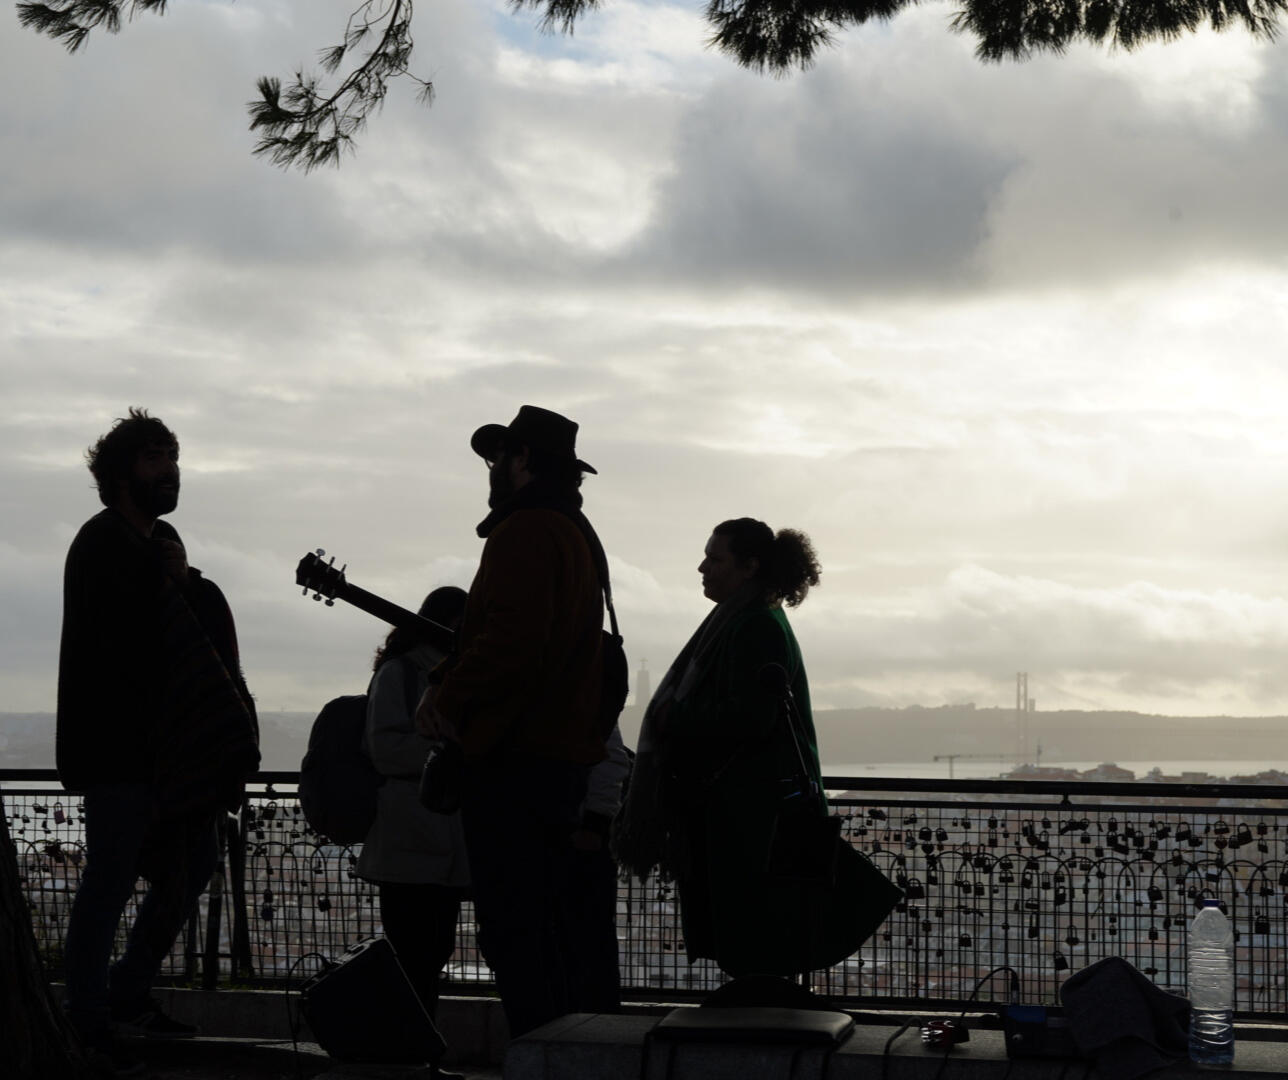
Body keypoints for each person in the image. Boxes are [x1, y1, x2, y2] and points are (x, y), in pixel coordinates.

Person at [57, 408, 259, 1077]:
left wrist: (181, 578)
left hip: (164, 761)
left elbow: (188, 625)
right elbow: (136, 641)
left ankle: (125, 993)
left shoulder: (156, 549)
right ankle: (89, 1017)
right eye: (153, 458)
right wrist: (175, 579)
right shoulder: (105, 546)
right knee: (108, 884)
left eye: (173, 457)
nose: (169, 470)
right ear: (119, 474)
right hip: (120, 756)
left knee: (189, 865)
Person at [417, 405, 608, 1038]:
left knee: (513, 930)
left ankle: (539, 1054)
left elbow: (508, 642)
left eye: (499, 457)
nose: (492, 469)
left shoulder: (525, 532)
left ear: (521, 460)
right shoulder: (578, 534)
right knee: (544, 928)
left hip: (514, 763)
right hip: (558, 763)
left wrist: (445, 697)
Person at [614, 517, 836, 979]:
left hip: (750, 811)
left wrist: (672, 716)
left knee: (747, 923)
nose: (702, 567)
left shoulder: (754, 626)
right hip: (746, 805)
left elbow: (750, 719)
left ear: (749, 566)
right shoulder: (751, 619)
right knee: (751, 925)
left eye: (715, 559)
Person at [356, 586, 469, 1079]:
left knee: (425, 956)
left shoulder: (420, 672)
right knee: (417, 959)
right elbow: (383, 750)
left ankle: (414, 1058)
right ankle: (412, 1058)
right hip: (414, 842)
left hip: (426, 845)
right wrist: (451, 752)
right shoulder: (402, 675)